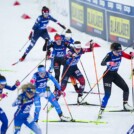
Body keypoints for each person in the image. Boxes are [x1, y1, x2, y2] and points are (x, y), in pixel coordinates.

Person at [98, 42, 134, 118]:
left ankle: (125, 105)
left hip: (115, 75)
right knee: (108, 94)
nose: (118, 53)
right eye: (117, 52)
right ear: (113, 50)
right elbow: (102, 63)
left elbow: (130, 57)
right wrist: (109, 63)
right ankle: (101, 109)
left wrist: (131, 55)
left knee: (126, 88)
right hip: (107, 76)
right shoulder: (109, 54)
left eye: (119, 51)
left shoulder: (121, 53)